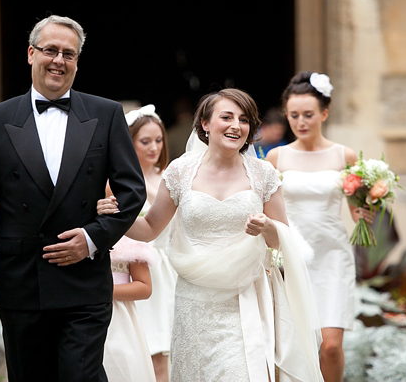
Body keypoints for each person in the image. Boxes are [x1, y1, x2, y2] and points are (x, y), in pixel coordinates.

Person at [0, 15, 146, 381]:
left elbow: (132, 191)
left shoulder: (106, 114)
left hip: (85, 283)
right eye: (51, 50)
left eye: (69, 54)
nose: (59, 60)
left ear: (77, 62)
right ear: (31, 54)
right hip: (23, 283)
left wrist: (92, 238)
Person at [98, 88, 324, 381]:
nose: (236, 126)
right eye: (226, 117)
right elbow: (150, 228)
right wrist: (117, 215)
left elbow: (283, 242)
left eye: (243, 120)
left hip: (244, 298)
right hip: (194, 300)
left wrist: (268, 227)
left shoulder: (263, 174)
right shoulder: (180, 171)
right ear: (205, 124)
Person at [267, 71, 373, 382]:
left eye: (308, 115)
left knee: (330, 346)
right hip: (292, 257)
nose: (301, 122)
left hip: (332, 257)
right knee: (298, 344)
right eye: (294, 115)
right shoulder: (276, 157)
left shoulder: (345, 155)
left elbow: (356, 211)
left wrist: (368, 209)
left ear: (324, 114)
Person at [107, 104, 177, 382]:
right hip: (140, 268)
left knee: (166, 356)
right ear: (129, 142)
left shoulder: (171, 179)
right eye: (145, 141)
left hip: (171, 272)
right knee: (143, 351)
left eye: (158, 140)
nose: (154, 148)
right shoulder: (116, 183)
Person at [103, 236, 157, 382]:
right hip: (75, 313)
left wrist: (100, 291)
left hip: (118, 318)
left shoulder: (128, 238)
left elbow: (144, 287)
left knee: (119, 367)